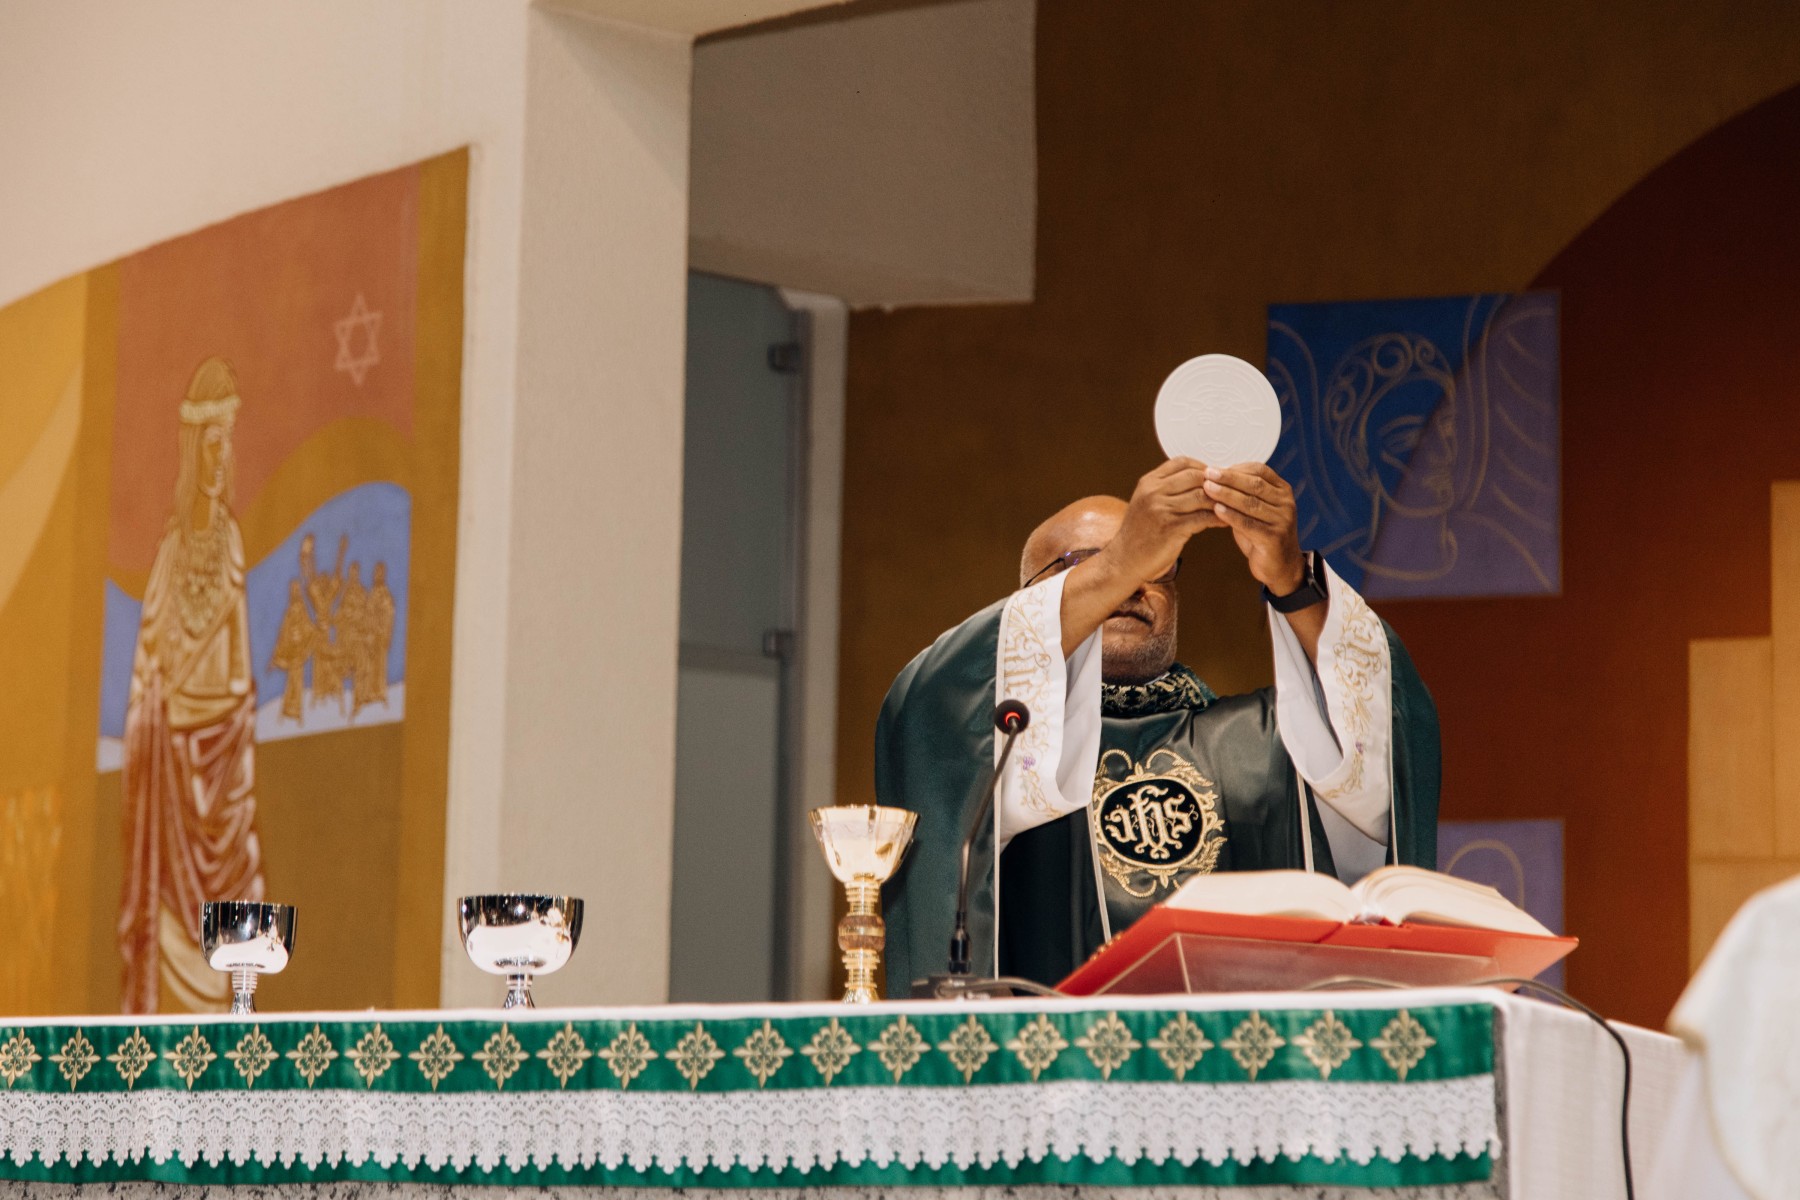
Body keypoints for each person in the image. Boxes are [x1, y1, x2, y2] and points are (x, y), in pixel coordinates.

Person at [877, 458, 1440, 994]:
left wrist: (1292, 578)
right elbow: (930, 715)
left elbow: (1386, 721)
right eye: (1089, 563)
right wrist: (1119, 563)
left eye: (1156, 563)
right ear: (1029, 610)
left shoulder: (1278, 739)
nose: (1134, 582)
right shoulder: (1006, 749)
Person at [119, 356, 267, 1013]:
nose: (220, 459)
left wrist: (232, 721)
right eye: (210, 445)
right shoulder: (172, 552)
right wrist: (157, 708)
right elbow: (147, 667)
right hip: (175, 767)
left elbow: (239, 667)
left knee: (233, 906)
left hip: (223, 755)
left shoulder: (229, 540)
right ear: (192, 452)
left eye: (226, 444)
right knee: (172, 917)